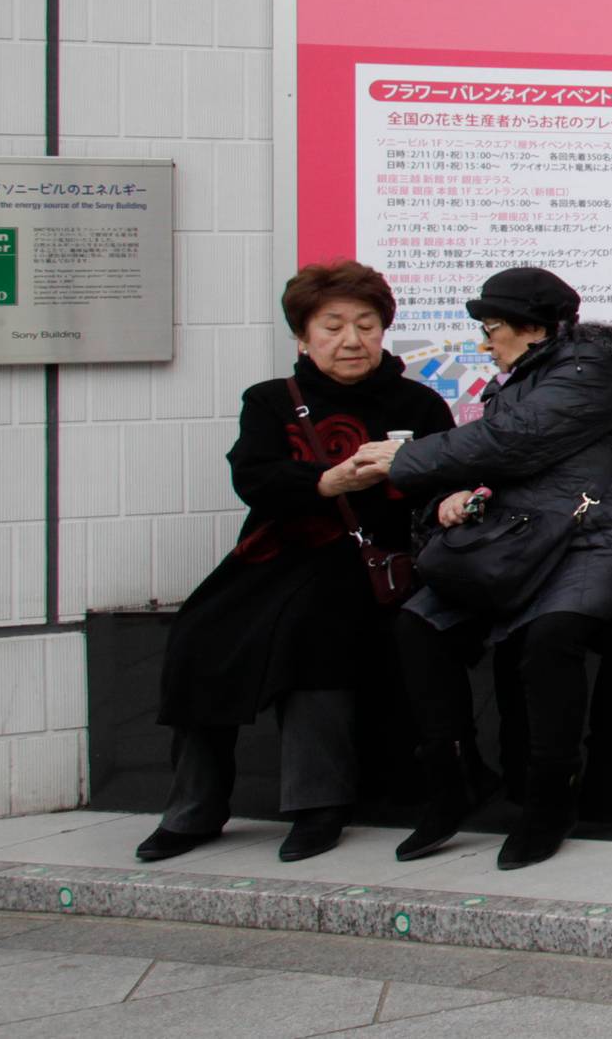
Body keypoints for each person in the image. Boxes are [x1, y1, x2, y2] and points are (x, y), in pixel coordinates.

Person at [138, 261, 455, 864]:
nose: (351, 339)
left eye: (365, 324)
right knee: (200, 638)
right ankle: (194, 809)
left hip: (375, 565)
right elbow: (253, 476)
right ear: (302, 336)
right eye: (332, 325)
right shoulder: (269, 401)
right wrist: (326, 480)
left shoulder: (418, 403)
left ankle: (318, 808)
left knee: (315, 635)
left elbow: (445, 481)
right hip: (276, 553)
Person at [359, 266, 612, 871]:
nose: (486, 340)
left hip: (604, 543)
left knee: (547, 638)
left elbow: (512, 442)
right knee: (419, 625)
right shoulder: (531, 375)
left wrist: (406, 457)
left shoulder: (587, 371)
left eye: (493, 327)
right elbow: (514, 460)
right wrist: (462, 494)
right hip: (530, 543)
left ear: (534, 328)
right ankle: (454, 780)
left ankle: (549, 800)